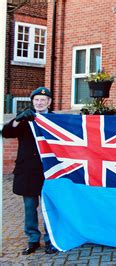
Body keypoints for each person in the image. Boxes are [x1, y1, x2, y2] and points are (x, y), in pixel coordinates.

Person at [2, 87, 58, 255]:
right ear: (32, 102)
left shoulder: (55, 120)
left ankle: (51, 240)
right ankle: (33, 239)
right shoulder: (25, 119)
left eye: (43, 100)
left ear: (49, 102)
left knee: (49, 207)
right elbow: (6, 132)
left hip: (49, 170)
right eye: (36, 100)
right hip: (28, 170)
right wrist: (18, 119)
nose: (39, 103)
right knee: (29, 207)